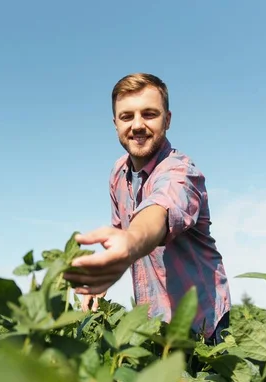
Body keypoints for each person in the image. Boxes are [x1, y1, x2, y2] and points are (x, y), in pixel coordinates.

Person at [63, 73, 231, 345]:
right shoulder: (118, 173)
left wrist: (130, 242)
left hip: (204, 325)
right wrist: (104, 274)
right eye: (127, 116)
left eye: (149, 114)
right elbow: (121, 230)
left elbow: (158, 212)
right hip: (156, 323)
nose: (137, 125)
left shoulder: (181, 172)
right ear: (115, 123)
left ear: (167, 119)